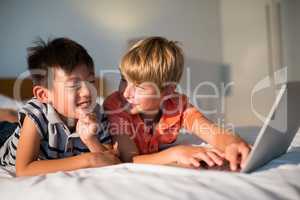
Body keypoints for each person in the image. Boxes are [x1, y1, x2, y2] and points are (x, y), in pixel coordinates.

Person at [104, 36, 251, 171]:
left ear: (167, 91)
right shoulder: (116, 105)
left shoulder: (177, 105)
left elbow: (212, 132)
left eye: (139, 87)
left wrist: (233, 143)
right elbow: (129, 159)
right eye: (123, 79)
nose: (126, 93)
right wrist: (176, 153)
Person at [0, 37, 120, 177]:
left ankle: (11, 115)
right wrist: (88, 159)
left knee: (13, 120)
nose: (88, 92)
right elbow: (24, 169)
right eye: (74, 85)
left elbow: (110, 160)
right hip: (5, 137)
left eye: (91, 81)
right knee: (8, 125)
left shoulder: (97, 113)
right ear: (43, 95)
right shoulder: (37, 113)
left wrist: (90, 140)